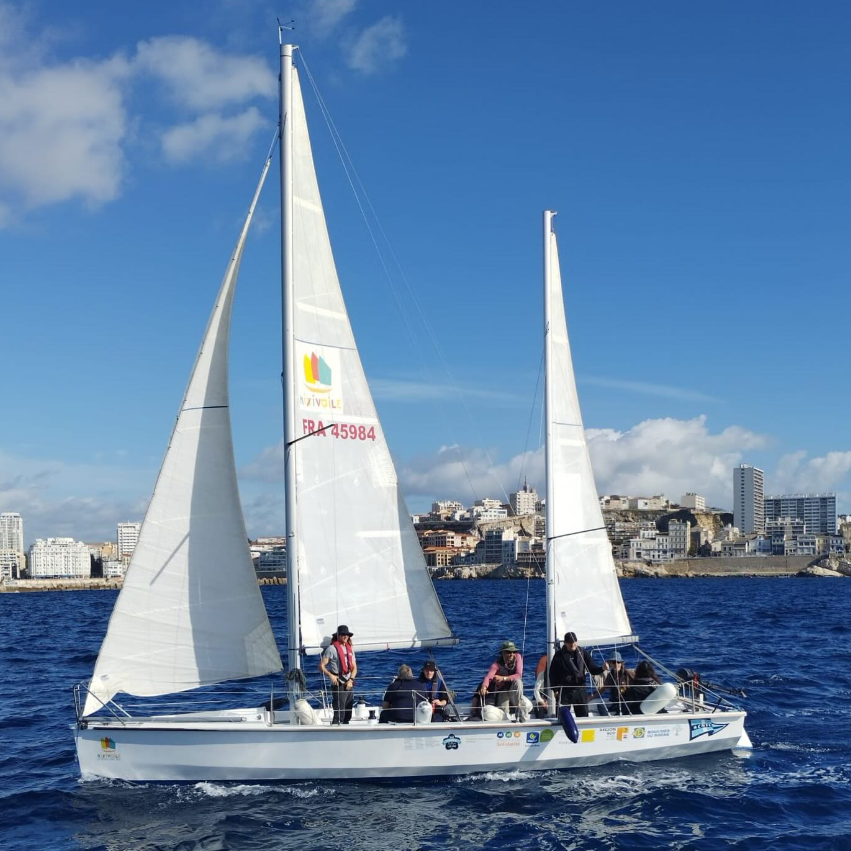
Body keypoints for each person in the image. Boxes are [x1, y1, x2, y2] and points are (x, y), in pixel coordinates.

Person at [548, 631, 605, 718]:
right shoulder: (558, 656)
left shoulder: (583, 653)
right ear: (565, 643)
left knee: (583, 716)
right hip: (564, 690)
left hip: (580, 689)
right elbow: (552, 674)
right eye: (570, 643)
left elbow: (592, 670)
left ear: (576, 642)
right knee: (562, 716)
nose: (572, 645)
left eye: (574, 642)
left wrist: (602, 668)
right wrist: (555, 690)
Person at [478, 640, 529, 722]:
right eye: (509, 652)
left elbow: (519, 675)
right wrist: (484, 687)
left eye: (513, 652)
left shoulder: (518, 657)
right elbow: (488, 677)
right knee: (504, 713)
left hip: (514, 690)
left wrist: (503, 678)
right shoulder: (496, 665)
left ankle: (519, 709)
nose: (512, 654)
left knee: (518, 682)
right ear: (503, 653)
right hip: (503, 690)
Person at [319, 624, 357, 725]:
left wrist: (351, 680)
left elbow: (354, 668)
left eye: (347, 634)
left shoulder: (350, 649)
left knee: (348, 711)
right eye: (343, 634)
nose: (345, 636)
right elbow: (321, 666)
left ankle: (346, 727)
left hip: (349, 682)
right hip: (338, 683)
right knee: (339, 713)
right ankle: (336, 727)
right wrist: (330, 675)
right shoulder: (331, 649)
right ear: (338, 635)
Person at [602, 650, 633, 715]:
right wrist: (591, 697)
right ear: (610, 664)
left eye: (618, 662)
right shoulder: (610, 675)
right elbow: (604, 688)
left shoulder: (628, 673)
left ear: (621, 663)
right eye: (613, 662)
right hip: (615, 703)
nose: (616, 664)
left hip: (627, 703)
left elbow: (639, 680)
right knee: (600, 707)